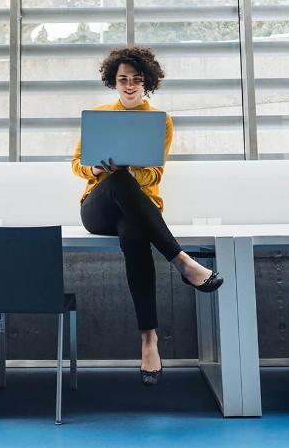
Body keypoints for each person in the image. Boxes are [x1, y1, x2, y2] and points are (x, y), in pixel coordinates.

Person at [71, 46, 223, 387]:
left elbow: (155, 173)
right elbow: (77, 164)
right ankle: (182, 260)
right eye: (122, 79)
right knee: (118, 179)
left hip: (137, 212)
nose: (128, 86)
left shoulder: (160, 121)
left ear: (147, 83)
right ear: (113, 80)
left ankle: (148, 340)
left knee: (134, 236)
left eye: (136, 80)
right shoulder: (98, 116)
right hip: (98, 209)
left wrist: (129, 172)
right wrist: (98, 169)